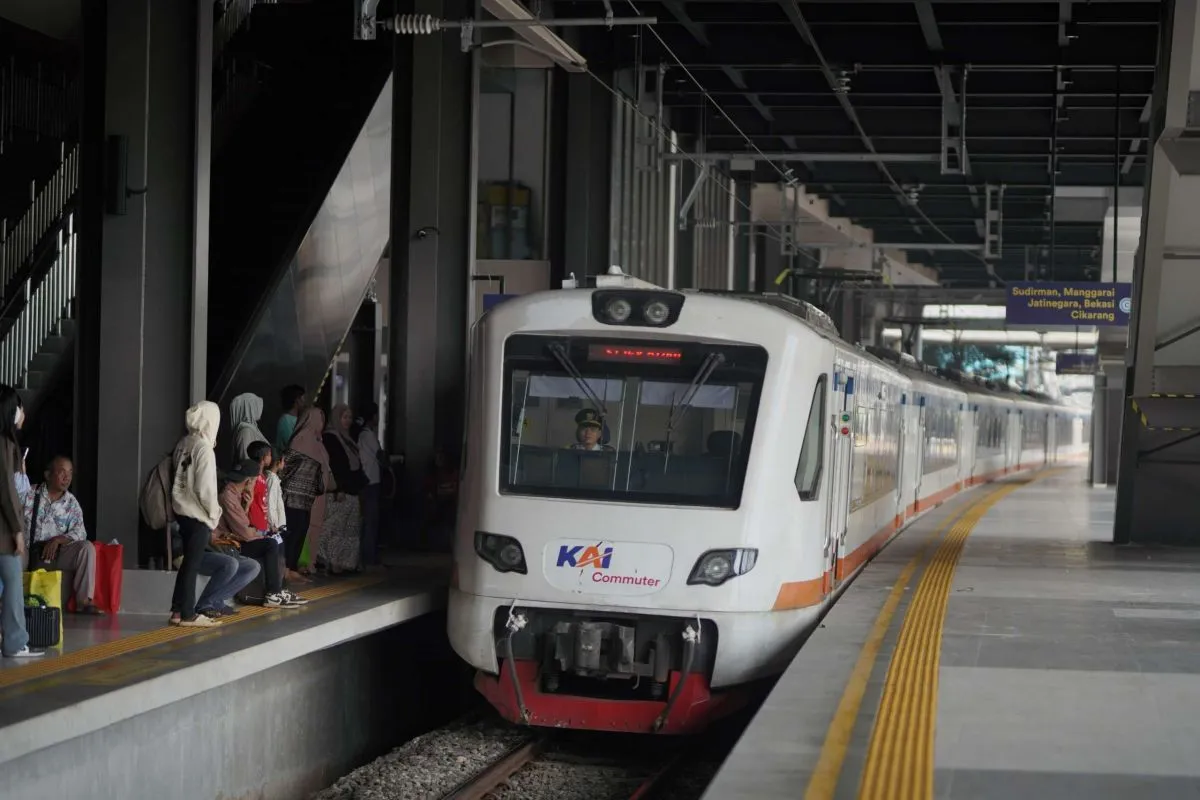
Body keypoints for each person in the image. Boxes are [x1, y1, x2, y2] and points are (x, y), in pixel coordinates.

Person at [218, 459, 304, 608]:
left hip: (236, 540)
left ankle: (279, 590)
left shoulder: (236, 494)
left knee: (276, 540)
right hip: (228, 544)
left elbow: (242, 525)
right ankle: (273, 593)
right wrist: (261, 533)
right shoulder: (228, 496)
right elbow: (245, 533)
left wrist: (247, 505)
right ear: (249, 481)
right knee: (270, 543)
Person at [22, 456, 102, 615]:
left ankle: (84, 602)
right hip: (29, 550)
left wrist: (58, 540)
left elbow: (80, 532)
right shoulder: (29, 494)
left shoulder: (71, 503)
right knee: (12, 553)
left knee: (86, 548)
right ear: (48, 475)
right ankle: (7, 600)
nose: (67, 477)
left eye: (70, 473)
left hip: (56, 553)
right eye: (62, 472)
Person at [169, 401, 223, 628]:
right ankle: (188, 614)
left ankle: (177, 610)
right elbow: (205, 489)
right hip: (198, 514)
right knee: (192, 564)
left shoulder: (183, 443)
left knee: (187, 564)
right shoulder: (204, 449)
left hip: (181, 511)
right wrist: (215, 514)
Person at [0, 385, 41, 657]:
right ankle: (15, 642)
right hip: (3, 529)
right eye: (19, 407)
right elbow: (7, 491)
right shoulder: (4, 442)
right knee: (13, 581)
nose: (23, 412)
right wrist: (17, 530)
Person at [170, 520, 261, 619]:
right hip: (197, 553)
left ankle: (217, 600)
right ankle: (204, 605)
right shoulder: (188, 519)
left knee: (253, 566)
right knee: (230, 564)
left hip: (218, 550)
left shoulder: (212, 518)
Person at [279, 407, 331, 576]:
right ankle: (289, 567)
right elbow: (287, 467)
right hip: (296, 496)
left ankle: (300, 565)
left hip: (312, 495)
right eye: (319, 419)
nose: (321, 423)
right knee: (294, 530)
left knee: (306, 529)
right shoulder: (300, 439)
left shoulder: (318, 442)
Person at [320, 404, 367, 573]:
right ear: (336, 418)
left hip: (351, 490)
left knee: (350, 529)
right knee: (336, 529)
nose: (347, 421)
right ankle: (334, 564)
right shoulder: (330, 438)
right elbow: (335, 465)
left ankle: (346, 563)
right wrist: (339, 488)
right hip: (340, 492)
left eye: (349, 417)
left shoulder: (347, 438)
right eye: (344, 417)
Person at [353, 403, 385, 567]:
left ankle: (366, 556)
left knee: (367, 520)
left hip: (366, 482)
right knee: (371, 521)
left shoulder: (362, 434)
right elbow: (380, 455)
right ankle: (368, 557)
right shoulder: (368, 435)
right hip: (370, 482)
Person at [230, 393, 268, 465]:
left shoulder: (251, 429)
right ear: (249, 407)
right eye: (255, 404)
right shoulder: (246, 431)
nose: (259, 408)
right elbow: (247, 462)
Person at [275, 385, 306, 455]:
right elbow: (294, 445)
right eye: (303, 398)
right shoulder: (286, 420)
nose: (304, 401)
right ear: (297, 400)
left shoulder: (298, 419)